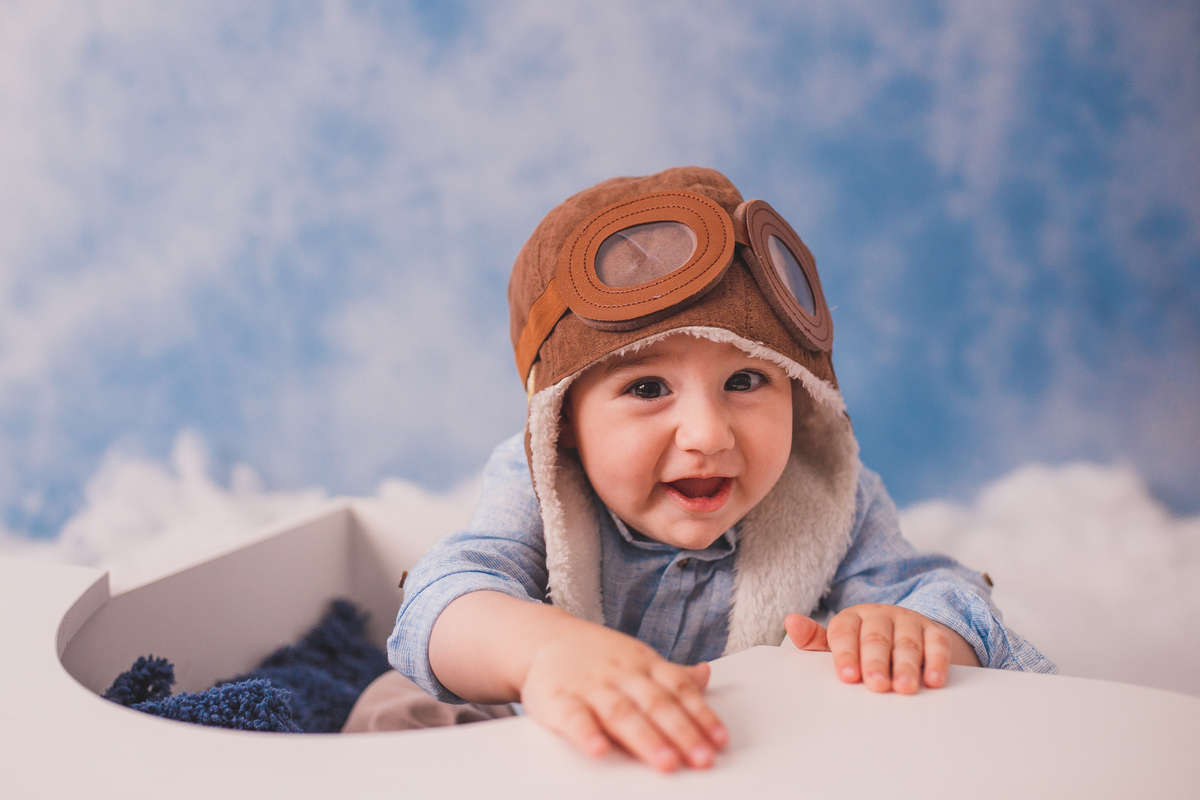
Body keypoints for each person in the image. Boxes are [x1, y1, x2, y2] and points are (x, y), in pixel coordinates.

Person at [354, 167, 1055, 770]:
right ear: (562, 424)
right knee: (390, 721)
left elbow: (934, 588)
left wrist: (913, 630)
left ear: (797, 392)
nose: (707, 434)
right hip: (547, 743)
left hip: (747, 750)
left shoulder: (827, 495)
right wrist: (543, 655)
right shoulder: (537, 486)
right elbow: (446, 595)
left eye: (746, 382)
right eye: (648, 389)